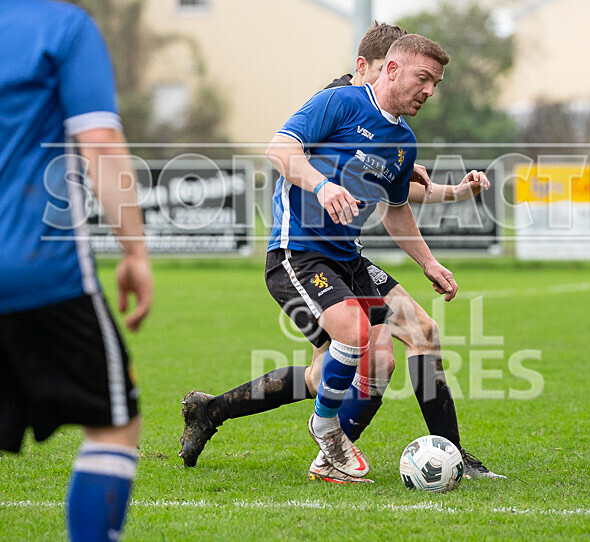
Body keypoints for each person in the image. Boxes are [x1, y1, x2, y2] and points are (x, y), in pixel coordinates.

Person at [179, 23, 503, 483]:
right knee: (358, 350)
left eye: (435, 84)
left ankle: (451, 454)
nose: (429, 91)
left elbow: (395, 210)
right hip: (300, 253)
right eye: (423, 79)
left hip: (348, 257)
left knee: (419, 333)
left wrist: (429, 260)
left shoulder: (403, 141)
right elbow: (280, 149)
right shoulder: (339, 101)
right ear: (387, 69)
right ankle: (325, 446)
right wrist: (323, 185)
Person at [0, 1, 153, 540]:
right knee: (115, 424)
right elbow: (101, 145)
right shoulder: (62, 27)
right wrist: (134, 252)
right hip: (35, 271)